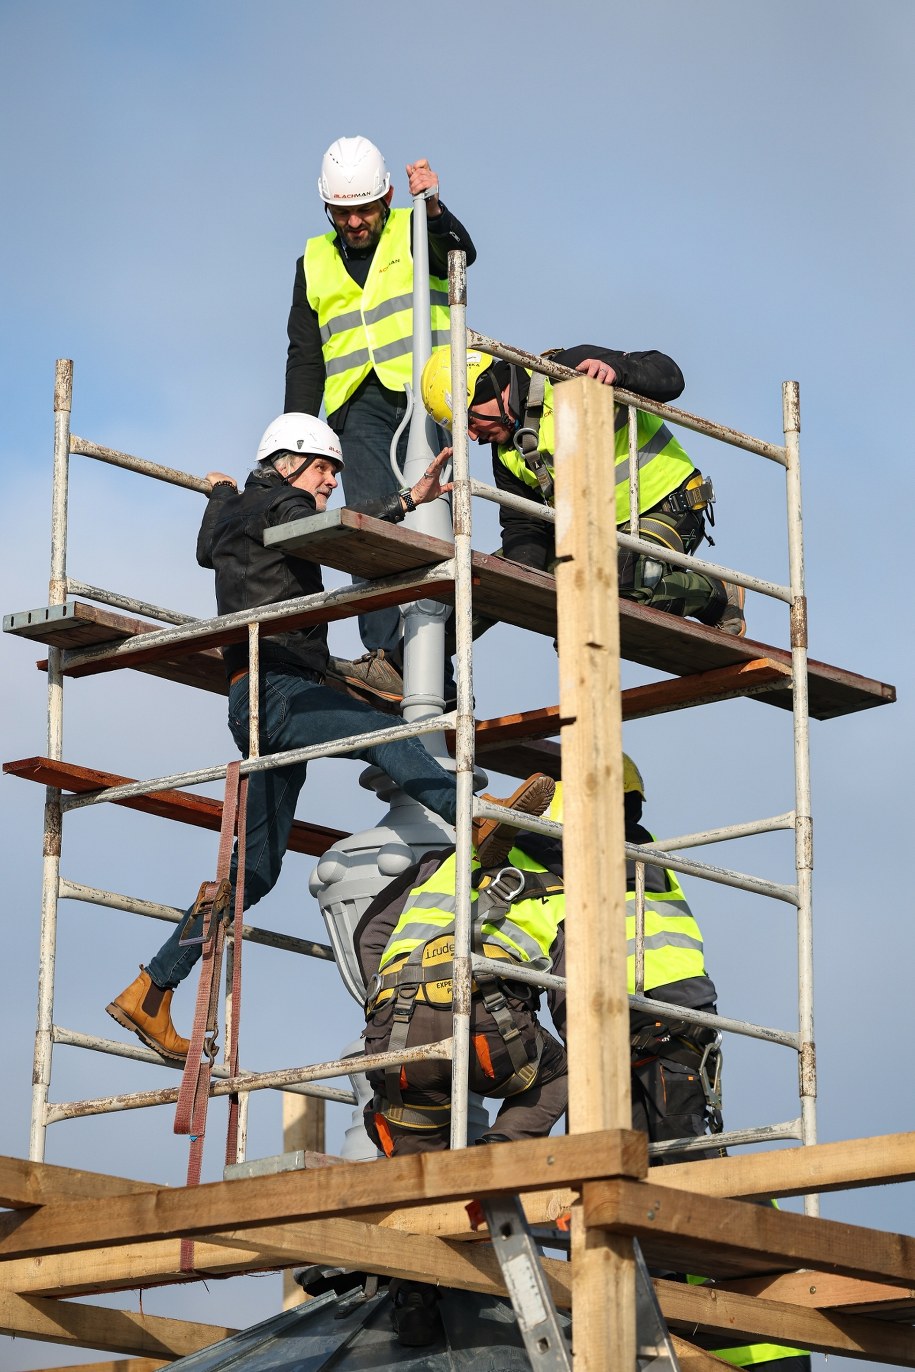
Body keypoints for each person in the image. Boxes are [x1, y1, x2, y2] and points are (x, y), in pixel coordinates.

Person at [106, 413, 551, 1061]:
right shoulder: (286, 502)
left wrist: (220, 492)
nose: (330, 483)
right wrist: (409, 500)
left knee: (252, 873)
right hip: (280, 690)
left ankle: (151, 987)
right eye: (324, 469)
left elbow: (208, 548)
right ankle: (471, 820)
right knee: (381, 728)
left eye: (336, 474)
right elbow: (323, 528)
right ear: (286, 463)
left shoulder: (238, 511)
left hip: (249, 694)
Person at [357, 808, 566, 1348]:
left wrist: (386, 999)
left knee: (413, 1161)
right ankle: (498, 1151)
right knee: (569, 1069)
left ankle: (415, 1300)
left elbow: (370, 931)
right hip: (486, 1028)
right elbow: (574, 991)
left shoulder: (439, 865)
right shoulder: (567, 886)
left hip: (395, 1034)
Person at [285, 136, 477, 700]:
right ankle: (384, 658)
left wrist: (435, 208)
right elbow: (305, 355)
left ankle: (438, 673)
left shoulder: (416, 226)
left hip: (429, 396)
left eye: (365, 209)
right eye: (342, 212)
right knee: (373, 522)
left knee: (438, 527)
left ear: (387, 196)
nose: (354, 222)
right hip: (359, 405)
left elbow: (462, 255)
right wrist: (297, 439)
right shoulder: (313, 260)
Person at [422, 346, 746, 636]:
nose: (472, 437)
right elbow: (525, 527)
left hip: (669, 508)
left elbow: (669, 373)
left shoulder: (567, 371)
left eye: (469, 421)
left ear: (489, 389)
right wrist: (520, 580)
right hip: (596, 535)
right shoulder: (508, 452)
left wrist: (620, 373)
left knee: (613, 595)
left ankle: (714, 596)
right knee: (493, 577)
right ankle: (404, 667)